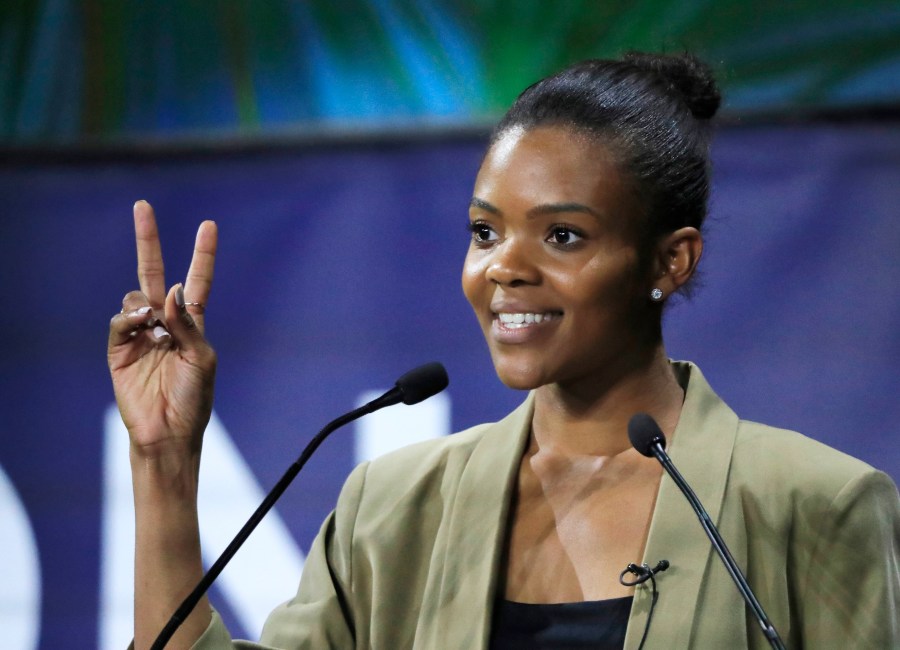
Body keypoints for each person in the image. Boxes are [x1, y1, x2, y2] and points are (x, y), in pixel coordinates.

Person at [108, 52, 900, 649]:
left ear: (670, 260)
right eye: (485, 231)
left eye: (563, 235)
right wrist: (163, 459)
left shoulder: (813, 504)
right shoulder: (392, 508)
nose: (505, 268)